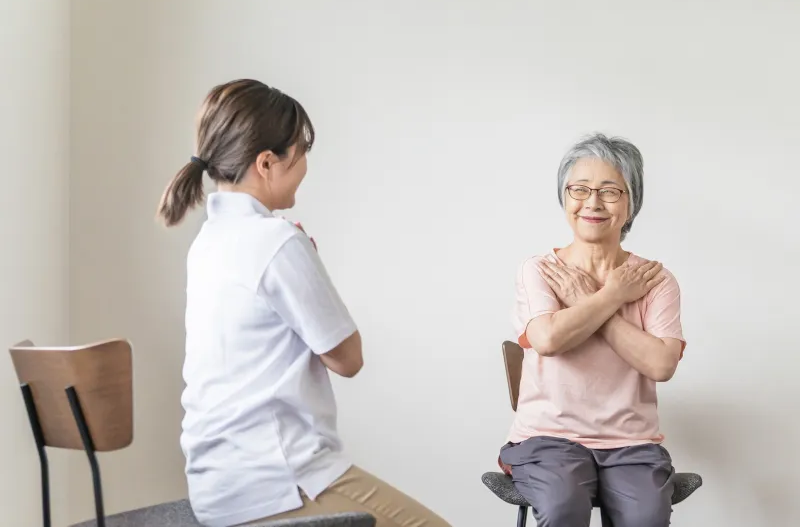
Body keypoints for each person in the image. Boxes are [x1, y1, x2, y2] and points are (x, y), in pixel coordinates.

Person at [157, 79, 450, 527]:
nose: (306, 164)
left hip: (217, 486)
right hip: (278, 483)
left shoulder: (209, 241)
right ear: (267, 162)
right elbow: (348, 358)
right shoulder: (274, 241)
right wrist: (306, 257)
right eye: (301, 151)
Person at [499, 133, 686, 527]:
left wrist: (593, 301)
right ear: (564, 197)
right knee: (564, 507)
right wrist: (611, 295)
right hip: (546, 440)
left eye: (610, 191)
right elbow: (548, 340)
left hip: (632, 445)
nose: (593, 202)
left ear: (632, 200)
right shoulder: (540, 270)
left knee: (646, 518)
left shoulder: (655, 280)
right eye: (579, 189)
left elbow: (661, 366)